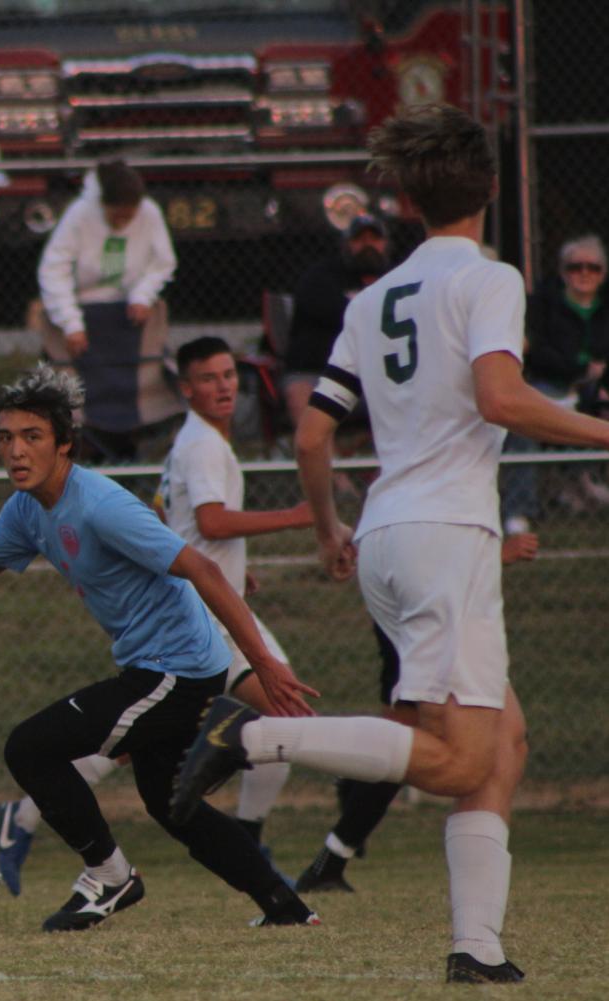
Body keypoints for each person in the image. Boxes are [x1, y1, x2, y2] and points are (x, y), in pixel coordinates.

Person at [173, 103, 609, 984]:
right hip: (447, 533)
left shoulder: (370, 297)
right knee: (457, 759)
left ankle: (475, 946)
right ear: (490, 189)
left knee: (503, 743)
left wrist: (333, 528)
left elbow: (309, 436)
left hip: (384, 534)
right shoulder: (488, 279)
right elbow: (500, 398)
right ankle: (255, 736)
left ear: (405, 199)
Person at [0, 364, 322, 933]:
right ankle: (288, 909)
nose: (16, 451)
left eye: (31, 437)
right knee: (173, 806)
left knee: (30, 748)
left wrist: (265, 665)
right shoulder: (26, 509)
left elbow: (201, 567)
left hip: (177, 671)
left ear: (64, 444)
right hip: (154, 668)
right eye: (5, 438)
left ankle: (111, 875)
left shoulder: (101, 504)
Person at [0, 337, 315, 897]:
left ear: (64, 444)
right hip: (194, 635)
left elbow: (182, 532)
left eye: (230, 375)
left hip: (191, 639)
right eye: (209, 377)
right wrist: (296, 516)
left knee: (106, 741)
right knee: (180, 789)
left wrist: (238, 577)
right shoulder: (200, 447)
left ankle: (59, 834)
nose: (225, 387)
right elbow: (205, 530)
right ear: (185, 388)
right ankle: (283, 880)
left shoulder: (185, 451)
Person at [296, 531, 539, 895]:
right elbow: (428, 556)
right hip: (424, 607)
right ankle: (271, 743)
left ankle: (336, 839)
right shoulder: (433, 491)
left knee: (435, 740)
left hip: (411, 596)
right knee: (462, 747)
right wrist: (496, 558)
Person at [37, 159, 177, 462]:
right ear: (103, 205)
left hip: (130, 321)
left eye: (130, 216)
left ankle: (130, 441)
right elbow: (53, 268)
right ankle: (88, 443)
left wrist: (143, 295)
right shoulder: (79, 215)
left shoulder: (149, 213)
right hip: (85, 316)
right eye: (117, 215)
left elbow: (163, 261)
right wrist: (71, 323)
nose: (124, 222)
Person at [499, 234, 609, 533]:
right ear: (563, 272)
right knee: (524, 424)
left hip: (597, 389)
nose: (584, 273)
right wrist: (582, 368)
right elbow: (537, 351)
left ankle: (582, 486)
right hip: (552, 385)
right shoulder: (544, 305)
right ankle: (519, 509)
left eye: (593, 267)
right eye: (576, 267)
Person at [282, 214, 393, 427]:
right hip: (320, 375)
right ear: (346, 245)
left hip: (380, 378)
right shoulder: (319, 278)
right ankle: (321, 458)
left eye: (374, 239)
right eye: (360, 240)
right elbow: (342, 314)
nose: (368, 245)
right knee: (299, 392)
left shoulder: (399, 277)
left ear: (386, 244)